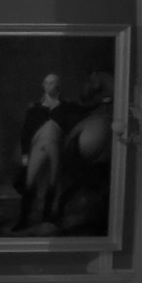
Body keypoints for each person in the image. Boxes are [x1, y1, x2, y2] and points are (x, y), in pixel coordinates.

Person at [17, 72, 84, 231]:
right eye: (46, 82)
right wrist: (25, 153)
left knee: (53, 182)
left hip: (56, 149)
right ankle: (23, 220)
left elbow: (80, 115)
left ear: (58, 85)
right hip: (38, 147)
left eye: (52, 83)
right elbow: (26, 132)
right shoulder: (35, 108)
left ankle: (46, 217)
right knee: (29, 182)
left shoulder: (66, 107)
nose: (48, 85)